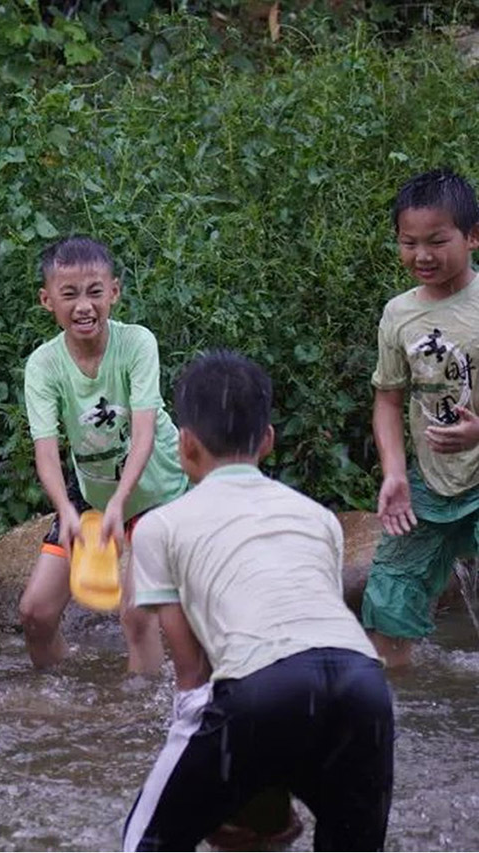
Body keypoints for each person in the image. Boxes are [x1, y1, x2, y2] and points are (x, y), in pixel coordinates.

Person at [122, 351, 394, 851]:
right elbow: (309, 637)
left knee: (145, 841)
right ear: (268, 440)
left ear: (184, 445)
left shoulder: (161, 526)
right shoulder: (319, 518)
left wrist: (215, 782)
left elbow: (192, 675)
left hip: (266, 690)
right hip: (366, 687)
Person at [19, 236, 186, 674]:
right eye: (69, 294)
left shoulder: (137, 343)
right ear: (47, 300)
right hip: (91, 495)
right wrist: (65, 510)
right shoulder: (43, 365)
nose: (84, 306)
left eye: (95, 292)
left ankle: (137, 723)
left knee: (135, 614)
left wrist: (119, 503)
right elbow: (46, 451)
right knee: (34, 614)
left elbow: (146, 435)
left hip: (157, 492)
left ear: (114, 292)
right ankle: (69, 704)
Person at [364, 167, 479, 668]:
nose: (422, 256)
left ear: (473, 236)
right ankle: (398, 713)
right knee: (389, 598)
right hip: (429, 484)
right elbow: (388, 399)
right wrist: (393, 473)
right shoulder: (399, 314)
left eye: (437, 241)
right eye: (409, 243)